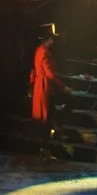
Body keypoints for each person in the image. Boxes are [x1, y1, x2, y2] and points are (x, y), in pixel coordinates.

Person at [30, 23, 69, 158]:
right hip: (44, 86)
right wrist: (63, 86)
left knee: (48, 115)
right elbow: (49, 74)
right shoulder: (44, 52)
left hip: (42, 86)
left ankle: (47, 144)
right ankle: (44, 147)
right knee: (45, 118)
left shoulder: (39, 50)